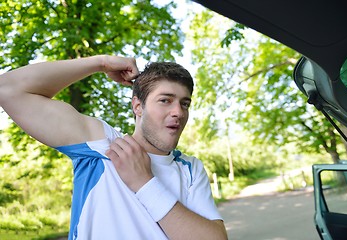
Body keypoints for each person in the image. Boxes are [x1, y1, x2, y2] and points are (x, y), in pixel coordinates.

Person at [0, 55, 227, 240]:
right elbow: (8, 90)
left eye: (184, 103)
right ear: (138, 106)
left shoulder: (191, 169)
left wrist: (144, 183)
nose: (178, 112)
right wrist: (101, 63)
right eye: (165, 100)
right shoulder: (101, 145)